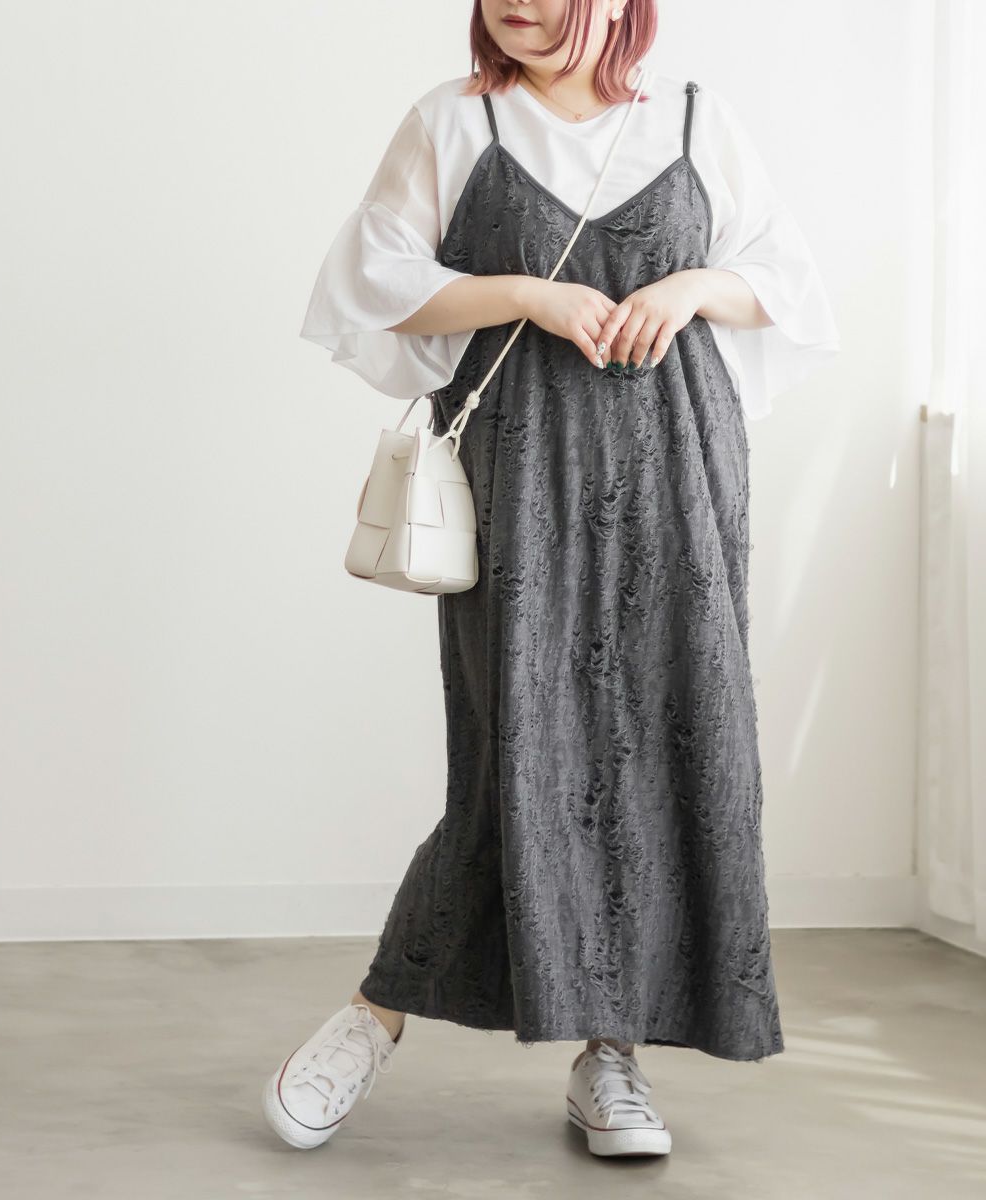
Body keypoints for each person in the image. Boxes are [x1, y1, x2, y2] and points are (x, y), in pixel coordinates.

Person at [263, 0, 840, 1160]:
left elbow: (784, 282)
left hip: (679, 469)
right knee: (518, 750)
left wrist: (689, 288)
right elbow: (372, 285)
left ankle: (609, 1057)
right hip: (519, 465)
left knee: (668, 742)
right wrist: (527, 293)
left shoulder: (693, 119)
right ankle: (375, 1015)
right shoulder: (454, 121)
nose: (513, 3)